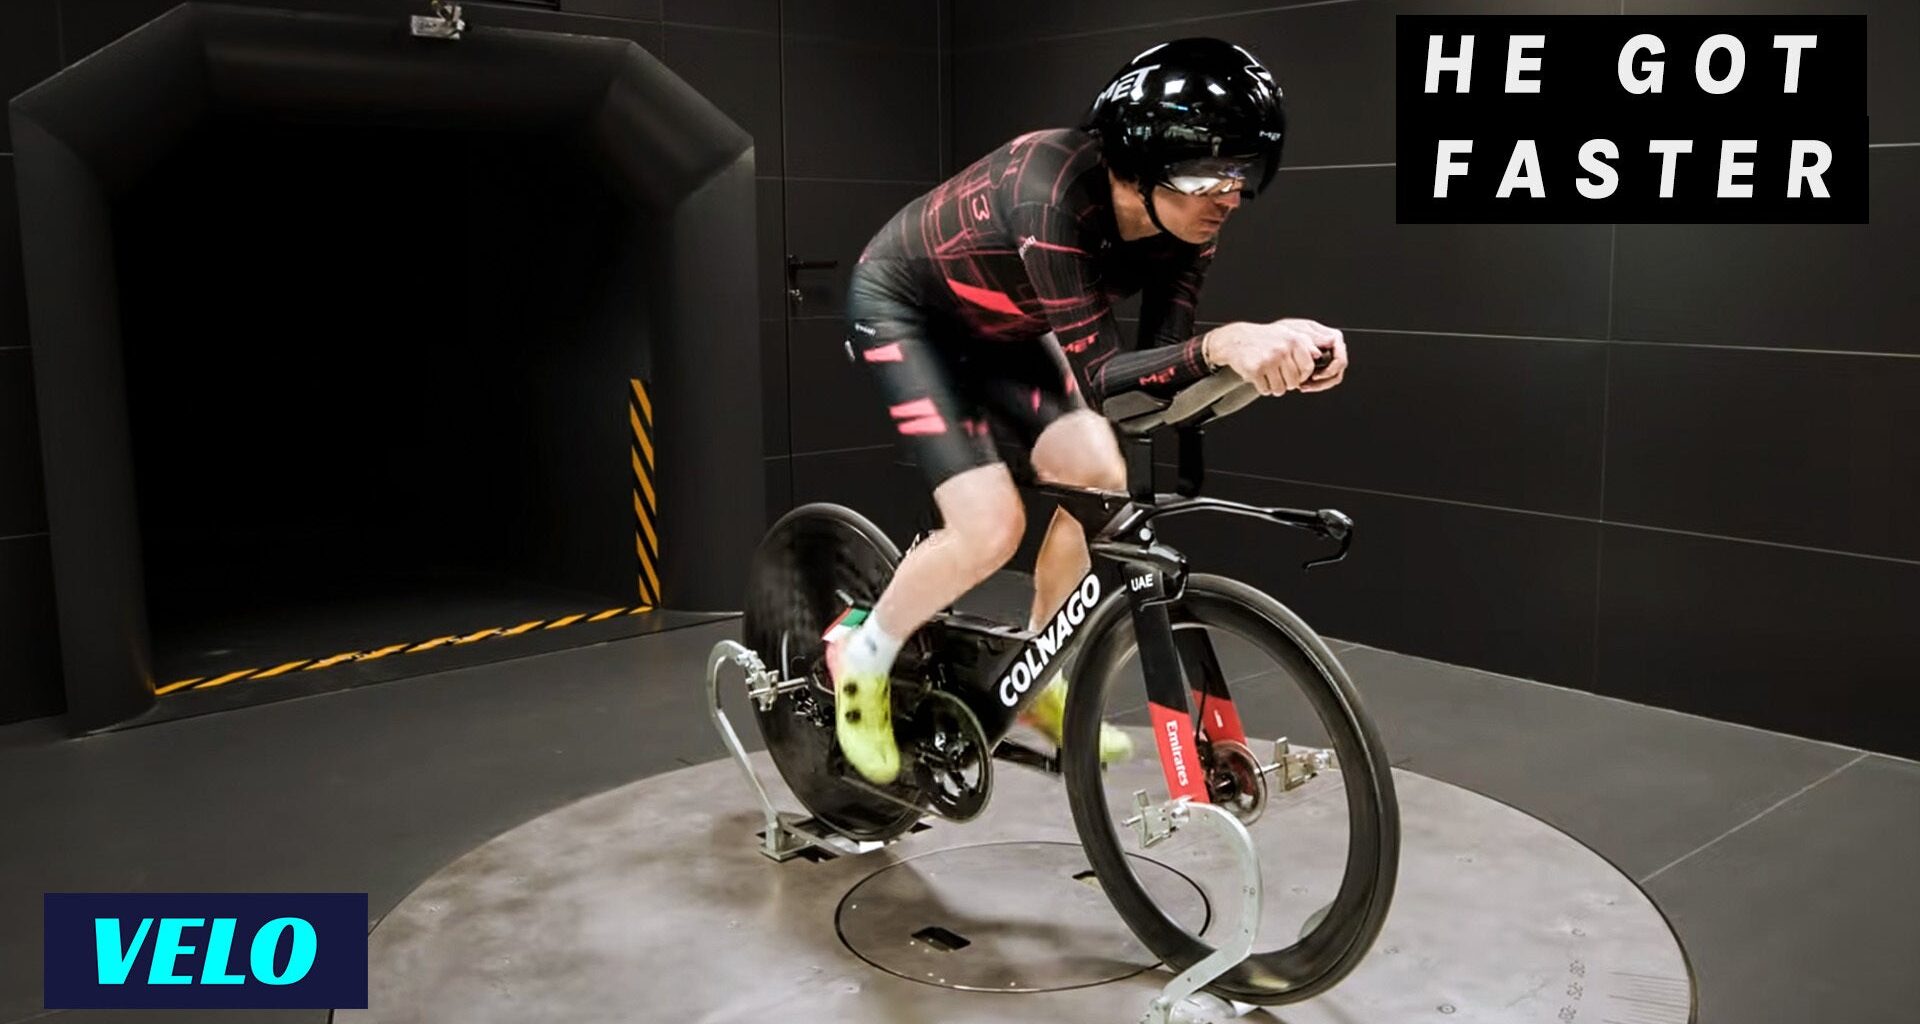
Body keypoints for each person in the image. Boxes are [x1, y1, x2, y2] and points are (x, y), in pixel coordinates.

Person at [830, 38, 1350, 784]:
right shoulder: (1049, 193)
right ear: (1136, 163)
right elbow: (1108, 377)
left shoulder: (1187, 228)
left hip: (1006, 323)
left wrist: (1265, 367)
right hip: (907, 314)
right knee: (990, 528)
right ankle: (864, 652)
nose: (1228, 197)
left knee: (1101, 481)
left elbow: (1152, 385)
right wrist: (1227, 344)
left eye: (1244, 174)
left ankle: (1031, 680)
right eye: (1207, 174)